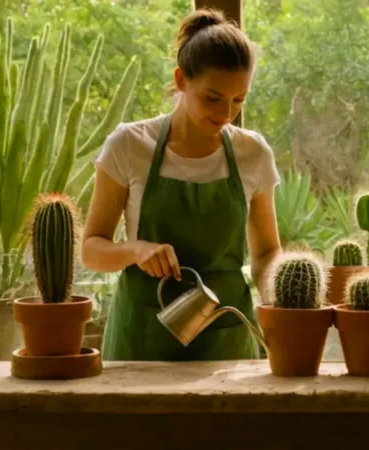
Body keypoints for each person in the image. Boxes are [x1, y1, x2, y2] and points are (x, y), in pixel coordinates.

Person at [81, 8, 282, 361]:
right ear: (181, 80)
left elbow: (266, 252)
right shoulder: (129, 145)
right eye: (213, 98)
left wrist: (282, 307)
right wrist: (136, 250)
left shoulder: (253, 153)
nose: (226, 113)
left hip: (227, 338)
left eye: (239, 100)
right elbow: (91, 249)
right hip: (142, 340)